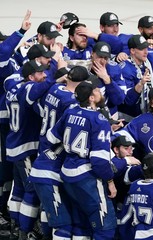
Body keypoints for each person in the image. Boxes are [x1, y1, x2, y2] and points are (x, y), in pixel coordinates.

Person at [45, 78, 117, 239]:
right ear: (91, 98)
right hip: (86, 176)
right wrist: (110, 181)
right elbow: (99, 161)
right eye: (97, 90)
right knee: (105, 226)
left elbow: (51, 137)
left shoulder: (70, 112)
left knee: (81, 224)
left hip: (67, 173)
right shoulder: (99, 120)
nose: (100, 92)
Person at [5, 60, 58, 239]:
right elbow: (37, 91)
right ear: (30, 76)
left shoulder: (13, 87)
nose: (44, 75)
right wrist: (57, 74)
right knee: (32, 189)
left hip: (14, 145)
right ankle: (25, 230)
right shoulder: (27, 88)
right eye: (40, 73)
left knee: (19, 188)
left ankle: (15, 225)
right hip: (24, 148)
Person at [0, 9, 31, 234]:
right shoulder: (2, 57)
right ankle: (3, 211)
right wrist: (20, 31)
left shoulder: (11, 59)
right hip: (5, 124)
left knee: (11, 171)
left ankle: (7, 213)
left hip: (11, 125)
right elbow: (3, 50)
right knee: (5, 170)